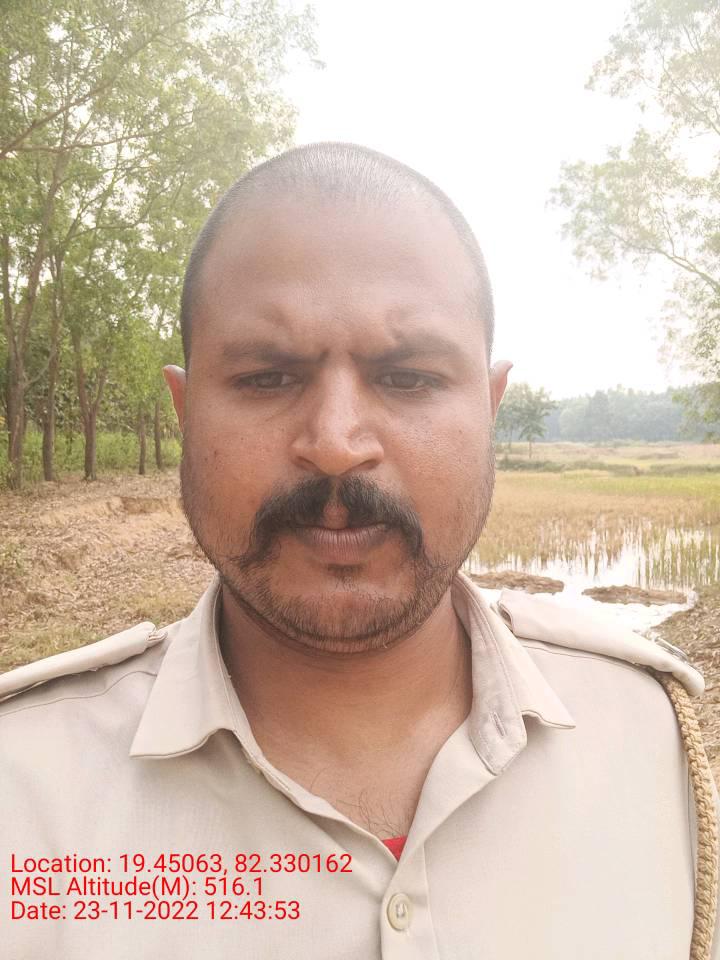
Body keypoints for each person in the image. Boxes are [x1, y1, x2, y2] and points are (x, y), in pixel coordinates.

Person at [1, 142, 717, 960]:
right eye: (267, 377)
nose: (336, 444)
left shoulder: (651, 740)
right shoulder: (23, 789)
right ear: (185, 413)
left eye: (408, 377)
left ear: (489, 409)